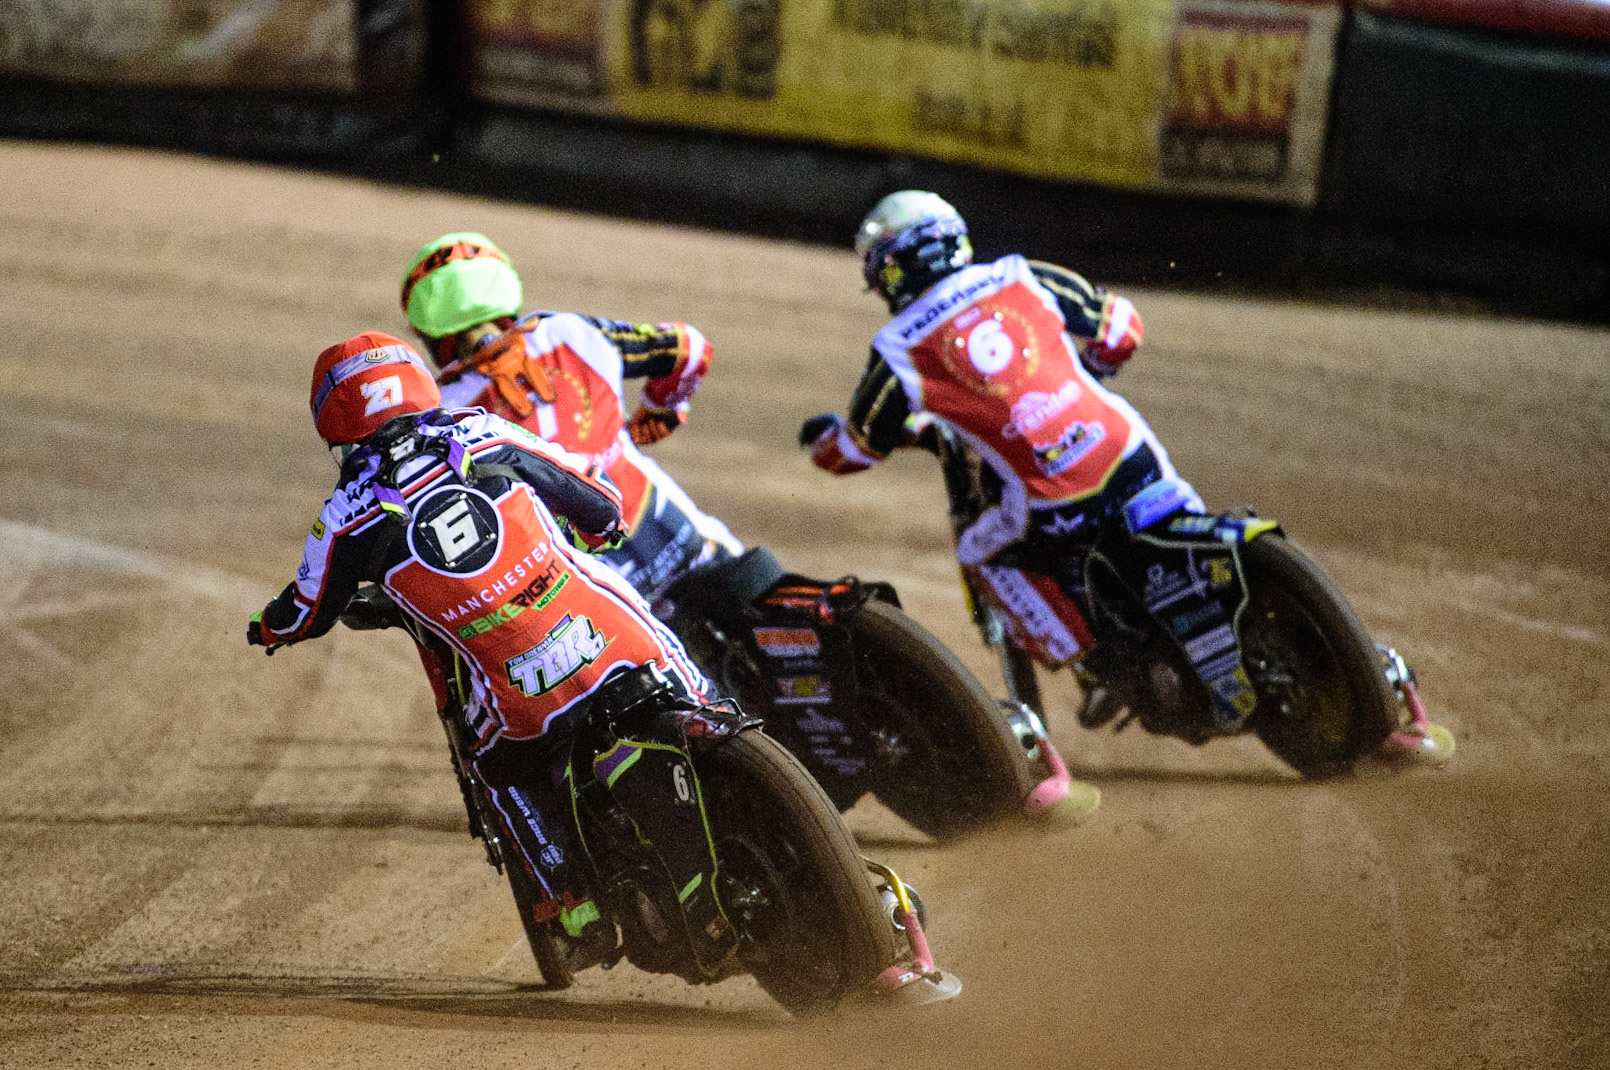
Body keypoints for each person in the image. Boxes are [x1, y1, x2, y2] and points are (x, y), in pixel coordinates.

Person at [248, 330, 713, 967]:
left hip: (524, 692)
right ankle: (729, 734)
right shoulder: (484, 431)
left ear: (334, 423)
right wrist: (601, 530)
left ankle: (575, 902)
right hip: (615, 634)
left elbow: (306, 611)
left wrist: (266, 627)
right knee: (687, 679)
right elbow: (596, 498)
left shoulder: (345, 515)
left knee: (499, 766)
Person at [798, 191, 1202, 725]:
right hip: (1133, 454)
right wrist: (1091, 371)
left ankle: (1095, 662)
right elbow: (1121, 327)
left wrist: (826, 445)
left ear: (890, 269)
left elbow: (855, 449)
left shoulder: (899, 346)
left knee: (979, 552)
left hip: (1055, 506)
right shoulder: (1022, 274)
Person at [398, 232, 741, 604]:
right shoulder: (567, 331)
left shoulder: (440, 414)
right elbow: (689, 349)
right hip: (682, 541)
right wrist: (663, 410)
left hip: (598, 597)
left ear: (429, 328)